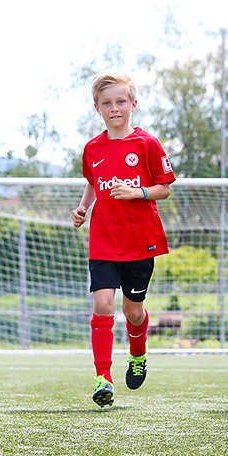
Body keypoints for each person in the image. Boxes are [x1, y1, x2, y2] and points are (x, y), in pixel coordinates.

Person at [72, 71, 175, 408]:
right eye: (107, 103)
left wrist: (138, 192)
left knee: (133, 313)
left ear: (133, 104)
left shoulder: (147, 144)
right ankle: (103, 377)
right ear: (97, 108)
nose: (114, 108)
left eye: (120, 101)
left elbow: (165, 188)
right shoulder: (92, 148)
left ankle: (138, 353)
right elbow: (93, 180)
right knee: (102, 304)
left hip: (139, 241)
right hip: (103, 240)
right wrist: (84, 207)